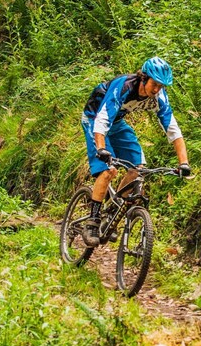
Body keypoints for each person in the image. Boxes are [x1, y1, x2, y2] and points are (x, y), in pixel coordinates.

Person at [80, 57, 191, 246]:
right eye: (154, 84)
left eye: (161, 86)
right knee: (108, 171)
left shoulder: (159, 97)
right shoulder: (123, 86)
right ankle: (92, 222)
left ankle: (111, 213)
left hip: (116, 124)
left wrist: (184, 163)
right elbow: (102, 119)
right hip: (94, 120)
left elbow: (173, 130)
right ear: (144, 78)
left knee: (137, 170)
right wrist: (101, 149)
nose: (156, 90)